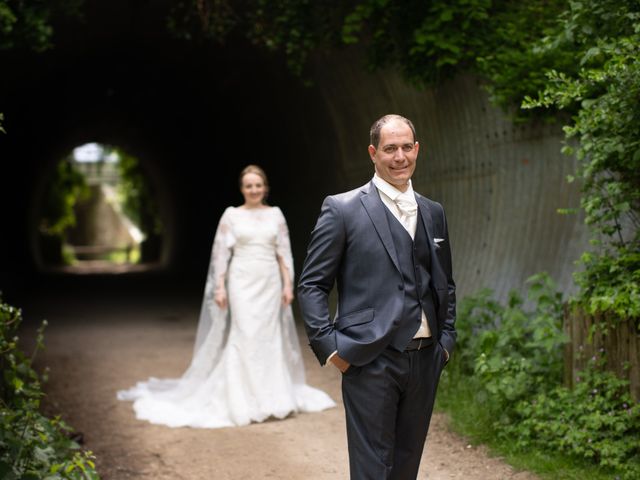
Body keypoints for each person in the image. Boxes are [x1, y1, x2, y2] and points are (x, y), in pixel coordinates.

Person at [298, 114, 456, 479]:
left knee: (405, 466)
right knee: (373, 468)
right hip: (369, 358)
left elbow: (445, 283)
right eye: (390, 149)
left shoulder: (433, 213)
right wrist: (331, 348)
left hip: (425, 358)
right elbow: (312, 284)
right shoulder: (342, 209)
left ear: (417, 150)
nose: (399, 156)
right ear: (373, 153)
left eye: (406, 147)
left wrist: (445, 341)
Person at [118, 164, 335, 428]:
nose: (253, 190)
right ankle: (240, 399)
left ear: (265, 188)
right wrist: (220, 286)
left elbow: (284, 253)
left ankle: (273, 396)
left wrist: (288, 285)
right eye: (248, 186)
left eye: (258, 185)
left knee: (268, 336)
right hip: (241, 282)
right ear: (242, 189)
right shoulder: (231, 216)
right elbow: (221, 254)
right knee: (244, 334)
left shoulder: (276, 215)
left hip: (269, 283)